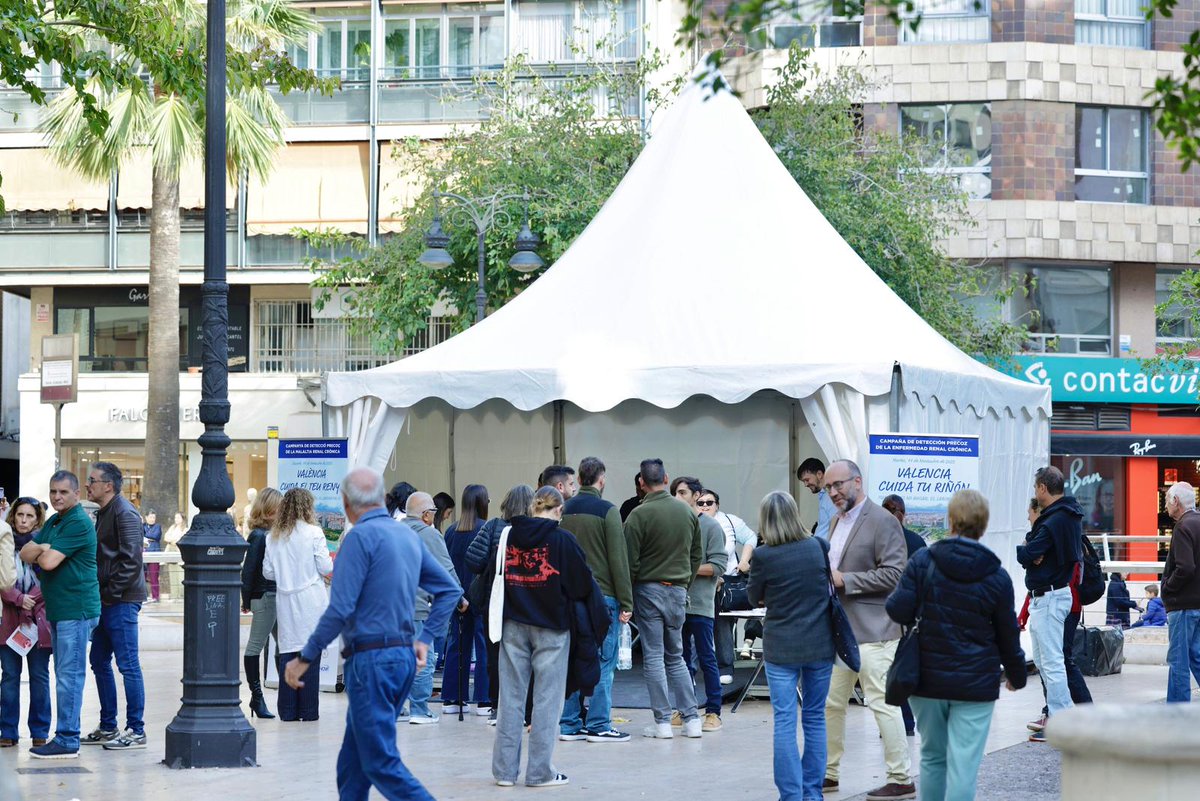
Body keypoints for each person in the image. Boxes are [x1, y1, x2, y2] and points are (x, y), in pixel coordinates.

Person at [283, 467, 459, 801]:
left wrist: (304, 657)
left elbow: (340, 609)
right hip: (402, 658)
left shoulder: (358, 539)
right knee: (352, 766)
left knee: (379, 762)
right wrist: (425, 639)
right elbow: (449, 591)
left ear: (347, 503)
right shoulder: (409, 535)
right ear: (381, 498)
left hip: (371, 662)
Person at [886, 489, 1027, 801]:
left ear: (949, 520)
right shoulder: (997, 576)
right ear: (983, 526)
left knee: (933, 758)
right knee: (964, 766)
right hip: (975, 685)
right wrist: (1017, 676)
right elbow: (1008, 634)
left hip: (927, 679)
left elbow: (897, 609)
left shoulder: (922, 561)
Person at [820, 459, 914, 801]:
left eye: (838, 485)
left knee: (882, 704)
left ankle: (901, 778)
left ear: (857, 482)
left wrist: (847, 580)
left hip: (876, 630)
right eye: (828, 487)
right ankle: (828, 773)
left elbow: (895, 574)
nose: (832, 492)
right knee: (832, 703)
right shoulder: (834, 521)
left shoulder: (883, 521)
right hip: (840, 630)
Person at [492, 486, 595, 788]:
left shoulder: (508, 535)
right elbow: (580, 586)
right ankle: (540, 773)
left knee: (509, 698)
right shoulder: (562, 539)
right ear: (559, 510)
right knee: (547, 701)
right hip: (552, 625)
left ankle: (504, 773)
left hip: (513, 623)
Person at [748, 491, 836, 801]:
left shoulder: (763, 556)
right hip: (820, 644)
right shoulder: (818, 547)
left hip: (781, 647)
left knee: (784, 720)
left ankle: (791, 796)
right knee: (814, 717)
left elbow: (752, 596)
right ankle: (812, 793)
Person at [19, 471, 100, 759]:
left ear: (77, 494)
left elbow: (49, 563)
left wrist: (44, 550)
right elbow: (26, 552)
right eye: (53, 491)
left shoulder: (77, 522)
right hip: (59, 610)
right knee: (64, 674)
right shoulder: (55, 520)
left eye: (63, 492)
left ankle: (67, 740)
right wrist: (43, 546)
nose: (56, 497)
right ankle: (65, 735)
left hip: (75, 611)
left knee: (69, 676)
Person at [625, 458, 704, 739]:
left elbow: (629, 562)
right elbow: (696, 556)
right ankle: (692, 719)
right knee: (677, 656)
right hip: (678, 591)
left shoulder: (637, 516)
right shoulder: (687, 513)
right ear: (666, 478)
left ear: (641, 484)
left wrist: (629, 595)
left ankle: (662, 722)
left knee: (655, 657)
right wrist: (685, 582)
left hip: (648, 591)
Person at [557, 457, 633, 743]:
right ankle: (599, 723)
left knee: (571, 657)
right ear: (601, 479)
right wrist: (627, 602)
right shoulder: (608, 511)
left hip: (567, 596)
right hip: (603, 597)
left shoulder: (564, 509)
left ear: (580, 478)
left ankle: (569, 723)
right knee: (604, 660)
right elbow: (618, 560)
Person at [83, 461, 148, 751]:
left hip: (121, 601)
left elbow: (131, 560)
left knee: (128, 665)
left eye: (92, 480)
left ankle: (136, 729)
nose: (88, 485)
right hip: (108, 600)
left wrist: (109, 594)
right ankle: (108, 725)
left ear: (108, 485)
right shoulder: (106, 512)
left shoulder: (124, 512)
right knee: (98, 661)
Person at [1017, 466, 1083, 739]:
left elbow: (1028, 552)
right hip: (1054, 596)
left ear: (1043, 488)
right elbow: (1033, 552)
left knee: (1052, 662)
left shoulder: (1054, 520)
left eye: (1036, 488)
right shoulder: (1069, 515)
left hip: (1050, 597)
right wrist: (1032, 551)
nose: (1035, 493)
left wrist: (1029, 551)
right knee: (1047, 661)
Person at [466, 484, 535, 725]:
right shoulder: (536, 531)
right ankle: (526, 710)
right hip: (526, 604)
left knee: (496, 656)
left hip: (495, 602)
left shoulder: (494, 526)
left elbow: (472, 560)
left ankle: (497, 707)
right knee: (526, 657)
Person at [263, 487, 333, 721]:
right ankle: (308, 710)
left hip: (285, 600)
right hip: (311, 600)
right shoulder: (314, 532)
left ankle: (288, 710)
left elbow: (268, 572)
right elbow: (326, 567)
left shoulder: (272, 537)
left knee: (287, 653)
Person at [671, 476, 728, 732]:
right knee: (679, 659)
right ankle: (685, 709)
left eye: (683, 492)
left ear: (696, 496)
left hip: (701, 602)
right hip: (674, 602)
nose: (678, 497)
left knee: (707, 657)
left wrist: (686, 570)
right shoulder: (671, 524)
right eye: (675, 492)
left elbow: (718, 566)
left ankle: (714, 711)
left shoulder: (711, 527)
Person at [401, 492, 463, 724]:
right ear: (426, 515)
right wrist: (460, 597)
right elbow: (446, 570)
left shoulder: (393, 530)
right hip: (418, 605)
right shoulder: (429, 534)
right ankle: (419, 709)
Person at [1, 498, 51, 749]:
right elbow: (2, 581)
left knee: (40, 677)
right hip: (9, 620)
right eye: (19, 514)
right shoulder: (5, 543)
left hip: (39, 621)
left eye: (29, 516)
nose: (23, 520)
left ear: (37, 519)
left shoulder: (44, 544)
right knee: (10, 676)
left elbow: (53, 578)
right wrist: (19, 599)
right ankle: (7, 730)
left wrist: (32, 600)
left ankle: (40, 731)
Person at [441, 484, 491, 716]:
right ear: (482, 502)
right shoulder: (487, 528)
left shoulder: (451, 531)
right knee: (483, 648)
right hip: (480, 598)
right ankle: (483, 699)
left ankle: (452, 698)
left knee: (456, 646)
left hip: (457, 597)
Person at [698, 489, 755, 685]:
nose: (705, 505)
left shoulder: (729, 521)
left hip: (726, 582)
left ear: (717, 504)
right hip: (698, 581)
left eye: (709, 502)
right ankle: (692, 667)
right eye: (700, 502)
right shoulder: (691, 520)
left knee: (722, 624)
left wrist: (745, 561)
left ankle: (724, 666)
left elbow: (750, 538)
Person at [881, 494, 927, 737]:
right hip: (913, 615)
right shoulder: (918, 541)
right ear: (904, 515)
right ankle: (910, 721)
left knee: (889, 668)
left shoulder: (879, 541)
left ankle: (897, 723)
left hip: (884, 612)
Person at [240, 486, 283, 719]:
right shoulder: (259, 536)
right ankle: (257, 697)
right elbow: (249, 570)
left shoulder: (270, 535)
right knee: (256, 645)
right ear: (268, 511)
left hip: (273, 595)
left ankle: (279, 695)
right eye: (277, 509)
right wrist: (246, 599)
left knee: (283, 644)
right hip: (265, 595)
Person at [1161, 481, 1200, 702]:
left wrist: (1167, 587)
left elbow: (1185, 568)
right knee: (1196, 656)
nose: (1166, 506)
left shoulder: (1183, 527)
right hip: (1197, 604)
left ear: (1176, 501)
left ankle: (1176, 716)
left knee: (1179, 661)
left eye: (1167, 500)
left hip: (1183, 604)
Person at [797, 457, 837, 540]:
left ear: (819, 474)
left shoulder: (830, 494)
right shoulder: (824, 495)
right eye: (803, 481)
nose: (805, 484)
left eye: (807, 480)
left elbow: (836, 519)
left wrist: (827, 547)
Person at [142, 510, 162, 602]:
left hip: (154, 553)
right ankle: (144, 596)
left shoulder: (158, 526)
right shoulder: (142, 526)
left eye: (154, 517)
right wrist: (148, 537)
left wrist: (145, 536)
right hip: (144, 554)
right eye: (150, 517)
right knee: (142, 576)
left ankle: (155, 597)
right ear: (146, 518)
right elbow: (139, 535)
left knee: (154, 577)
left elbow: (156, 536)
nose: (152, 519)